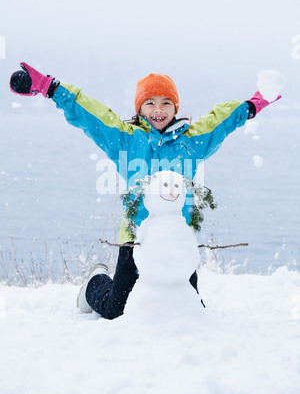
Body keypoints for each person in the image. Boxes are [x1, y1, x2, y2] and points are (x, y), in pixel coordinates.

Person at [10, 62, 281, 319]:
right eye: (150, 103)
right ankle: (94, 282)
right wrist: (50, 87)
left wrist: (256, 102)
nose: (158, 109)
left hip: (178, 239)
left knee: (191, 310)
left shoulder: (192, 141)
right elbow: (89, 112)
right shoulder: (126, 140)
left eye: (166, 102)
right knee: (117, 309)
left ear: (175, 107)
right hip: (135, 239)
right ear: (140, 109)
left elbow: (223, 120)